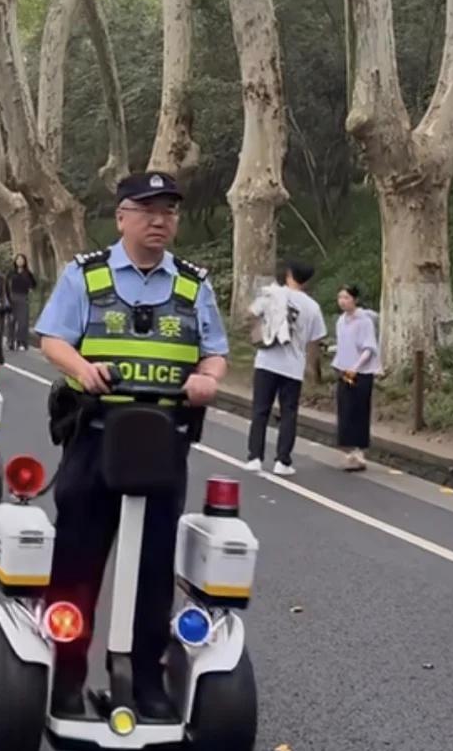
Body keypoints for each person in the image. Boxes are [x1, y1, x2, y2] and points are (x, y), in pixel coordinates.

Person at [36, 172, 228, 721]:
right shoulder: (86, 276)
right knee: (76, 563)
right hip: (95, 441)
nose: (160, 220)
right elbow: (52, 338)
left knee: (152, 570)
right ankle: (65, 679)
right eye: (147, 210)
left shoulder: (194, 286)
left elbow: (214, 351)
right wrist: (82, 368)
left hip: (162, 447)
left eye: (169, 210)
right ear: (121, 216)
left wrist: (208, 379)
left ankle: (147, 682)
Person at [244, 261, 326, 476]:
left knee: (260, 410)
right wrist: (313, 370)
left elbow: (250, 313)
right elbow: (314, 341)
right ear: (307, 280)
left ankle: (254, 457)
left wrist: (261, 329)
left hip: (266, 361)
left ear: (289, 274)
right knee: (289, 413)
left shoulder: (272, 294)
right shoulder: (313, 307)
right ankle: (283, 461)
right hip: (293, 366)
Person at [333, 285, 380, 471]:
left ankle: (359, 451)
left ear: (355, 300)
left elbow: (369, 348)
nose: (342, 301)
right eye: (340, 298)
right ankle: (349, 451)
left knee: (359, 411)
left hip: (361, 373)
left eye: (346, 297)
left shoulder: (364, 321)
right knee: (345, 411)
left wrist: (356, 367)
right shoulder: (341, 321)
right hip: (343, 370)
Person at [4, 253, 38, 350]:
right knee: (11, 321)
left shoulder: (27, 273)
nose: (20, 261)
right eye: (18, 259)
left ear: (24, 261)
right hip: (12, 297)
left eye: (22, 259)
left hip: (23, 298)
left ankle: (21, 343)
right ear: (15, 261)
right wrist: (7, 299)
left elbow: (34, 284)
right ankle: (10, 342)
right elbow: (6, 286)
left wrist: (30, 289)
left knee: (23, 322)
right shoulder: (11, 273)